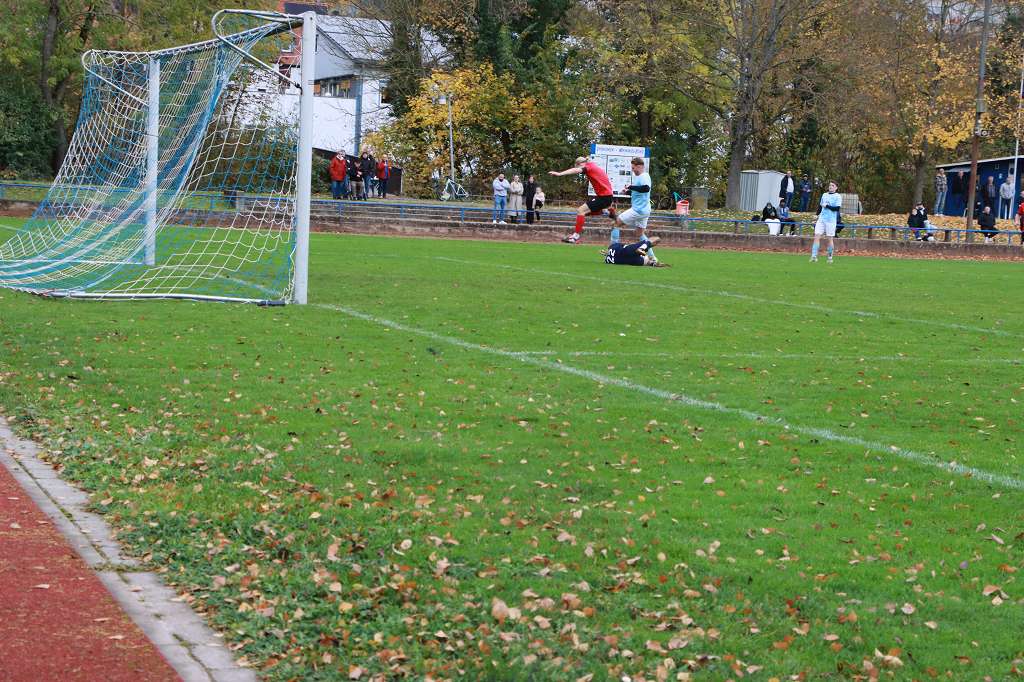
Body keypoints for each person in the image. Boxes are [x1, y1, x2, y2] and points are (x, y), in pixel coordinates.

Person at [549, 156, 615, 244]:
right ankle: (607, 211)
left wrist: (560, 174)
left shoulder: (588, 167)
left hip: (604, 197)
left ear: (579, 164)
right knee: (584, 213)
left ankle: (575, 237)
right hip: (606, 196)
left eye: (578, 166)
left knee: (581, 210)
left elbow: (575, 170)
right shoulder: (592, 165)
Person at [611, 157, 656, 260]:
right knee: (639, 233)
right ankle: (652, 258)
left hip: (638, 210)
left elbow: (646, 188)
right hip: (644, 210)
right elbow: (639, 191)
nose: (632, 170)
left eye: (633, 168)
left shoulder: (644, 176)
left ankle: (613, 251)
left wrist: (631, 187)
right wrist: (628, 191)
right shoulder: (640, 177)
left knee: (615, 223)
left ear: (639, 166)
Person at [811, 181, 842, 263]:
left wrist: (827, 206)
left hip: (831, 221)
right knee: (817, 236)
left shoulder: (838, 196)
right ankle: (814, 256)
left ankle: (830, 257)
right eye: (830, 185)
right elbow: (820, 206)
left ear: (836, 188)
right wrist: (816, 215)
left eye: (833, 185)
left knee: (830, 239)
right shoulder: (824, 195)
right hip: (821, 219)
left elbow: (837, 208)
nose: (830, 187)